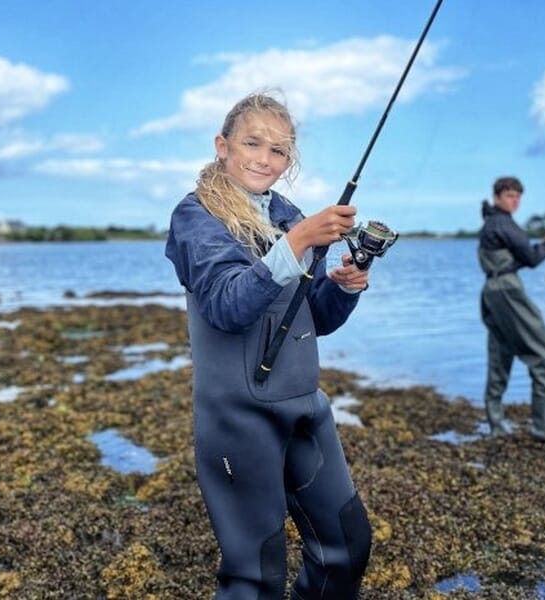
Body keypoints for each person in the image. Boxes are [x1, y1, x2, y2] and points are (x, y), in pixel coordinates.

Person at [165, 92, 372, 599]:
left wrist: (343, 286)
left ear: (289, 160)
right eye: (252, 143)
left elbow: (314, 318)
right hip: (238, 417)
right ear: (223, 145)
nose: (264, 158)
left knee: (347, 546)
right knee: (254, 576)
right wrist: (299, 241)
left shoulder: (287, 213)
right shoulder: (196, 217)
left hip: (305, 406)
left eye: (279, 150)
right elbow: (227, 306)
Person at [478, 176, 545, 446]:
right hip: (507, 291)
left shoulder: (491, 222)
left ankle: (496, 425)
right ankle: (544, 427)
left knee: (501, 352)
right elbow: (532, 258)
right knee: (542, 354)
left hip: (491, 291)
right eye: (509, 195)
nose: (515, 200)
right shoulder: (502, 223)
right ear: (497, 197)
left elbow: (512, 261)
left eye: (518, 196)